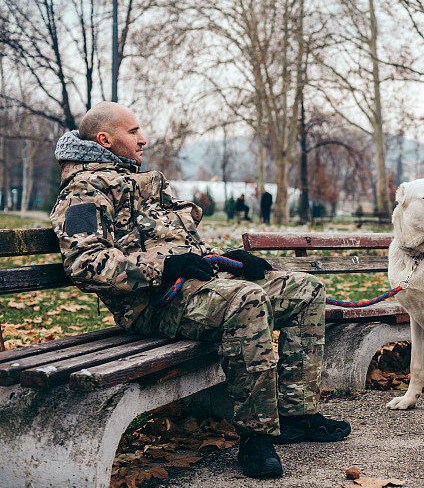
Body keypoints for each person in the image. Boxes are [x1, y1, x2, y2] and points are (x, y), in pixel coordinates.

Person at [49, 101, 349, 479]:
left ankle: (296, 413)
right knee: (246, 301)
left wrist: (223, 257)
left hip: (197, 291)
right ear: (105, 139)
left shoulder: (138, 182)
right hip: (150, 305)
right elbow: (84, 263)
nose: (143, 139)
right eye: (133, 132)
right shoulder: (83, 191)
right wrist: (165, 268)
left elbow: (176, 245)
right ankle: (256, 436)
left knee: (305, 290)